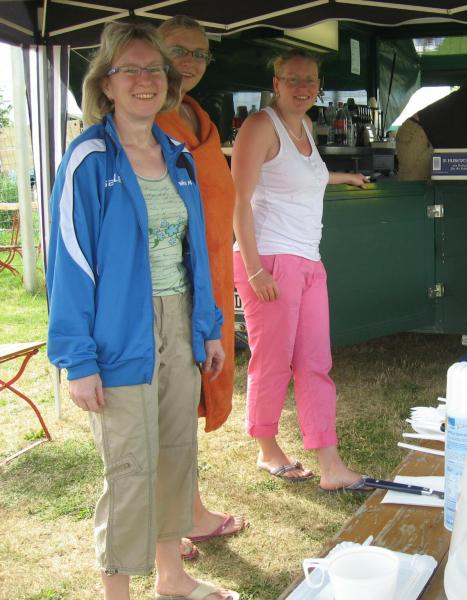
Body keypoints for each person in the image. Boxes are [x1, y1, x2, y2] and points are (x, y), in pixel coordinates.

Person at [45, 21, 237, 600]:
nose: (144, 79)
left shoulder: (177, 156)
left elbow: (194, 251)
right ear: (106, 83)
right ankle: (118, 594)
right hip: (117, 334)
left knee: (176, 453)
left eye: (154, 69)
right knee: (130, 468)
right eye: (129, 69)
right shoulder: (88, 158)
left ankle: (171, 578)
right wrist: (78, 360)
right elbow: (69, 263)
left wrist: (208, 328)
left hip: (179, 321)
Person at [231, 49, 370, 491]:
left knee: (315, 363)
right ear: (276, 83)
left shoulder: (305, 125)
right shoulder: (260, 126)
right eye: (292, 79)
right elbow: (239, 200)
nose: (303, 87)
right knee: (272, 360)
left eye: (310, 80)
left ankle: (331, 466)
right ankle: (267, 448)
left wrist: (345, 177)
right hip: (270, 260)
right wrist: (255, 270)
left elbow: (305, 177)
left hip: (309, 259)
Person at [154, 15, 247, 559]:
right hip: (169, 284)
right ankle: (166, 523)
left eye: (199, 53)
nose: (188, 61)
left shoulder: (197, 114)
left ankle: (186, 509)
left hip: (207, 281)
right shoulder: (145, 117)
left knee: (186, 398)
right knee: (164, 404)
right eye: (178, 50)